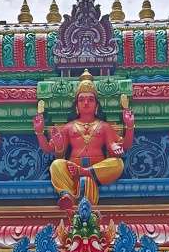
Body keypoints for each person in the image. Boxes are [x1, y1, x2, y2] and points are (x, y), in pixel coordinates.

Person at [33, 71, 135, 210]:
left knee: (117, 164)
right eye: (81, 100)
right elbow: (49, 149)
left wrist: (129, 126)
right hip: (72, 169)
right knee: (56, 165)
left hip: (95, 170)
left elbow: (124, 145)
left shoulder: (104, 126)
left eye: (90, 99)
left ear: (97, 106)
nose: (86, 103)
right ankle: (66, 195)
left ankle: (86, 172)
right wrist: (40, 131)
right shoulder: (69, 127)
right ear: (76, 106)